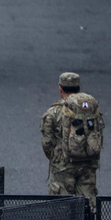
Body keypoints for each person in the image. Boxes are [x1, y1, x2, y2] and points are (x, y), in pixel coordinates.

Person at [40, 72, 103, 203]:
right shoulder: (91, 110)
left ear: (60, 89)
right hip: (88, 163)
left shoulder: (53, 112)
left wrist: (56, 158)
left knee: (62, 206)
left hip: (63, 166)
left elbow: (47, 143)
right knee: (87, 205)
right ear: (79, 89)